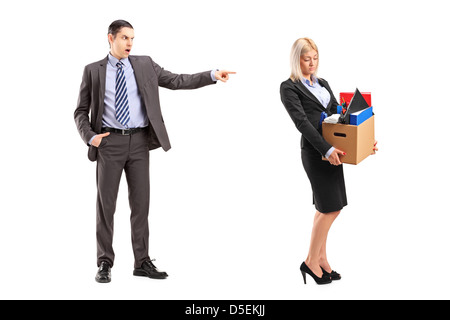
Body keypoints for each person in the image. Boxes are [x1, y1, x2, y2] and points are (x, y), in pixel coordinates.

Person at [74, 20, 235, 283]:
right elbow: (80, 110)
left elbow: (175, 80)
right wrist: (91, 137)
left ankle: (142, 261)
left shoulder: (144, 63)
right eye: (124, 38)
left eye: (132, 39)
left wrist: (211, 75)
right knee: (106, 206)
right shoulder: (93, 70)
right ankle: (104, 262)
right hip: (109, 143)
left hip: (139, 143)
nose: (129, 43)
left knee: (141, 205)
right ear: (110, 38)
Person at [280, 38, 377, 285]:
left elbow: (337, 114)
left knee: (326, 207)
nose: (311, 63)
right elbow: (302, 123)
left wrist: (364, 142)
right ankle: (310, 262)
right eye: (306, 59)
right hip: (316, 152)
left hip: (335, 151)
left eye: (314, 58)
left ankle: (321, 259)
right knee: (330, 208)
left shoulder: (322, 83)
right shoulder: (289, 87)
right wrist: (326, 148)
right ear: (296, 59)